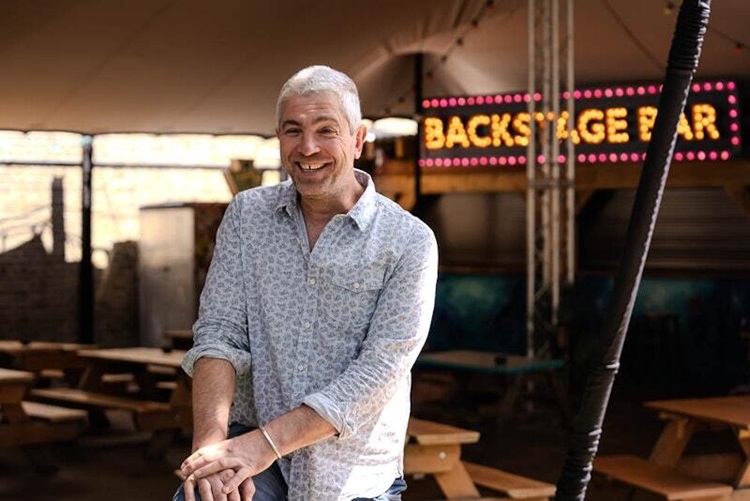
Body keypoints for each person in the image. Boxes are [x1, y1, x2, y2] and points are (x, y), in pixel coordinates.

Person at [174, 65, 439, 501]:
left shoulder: (409, 242)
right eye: (292, 130)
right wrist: (211, 450)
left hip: (351, 476)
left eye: (326, 130)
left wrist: (265, 444)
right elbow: (219, 334)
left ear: (359, 138)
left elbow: (379, 372)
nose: (308, 147)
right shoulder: (247, 216)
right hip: (254, 458)